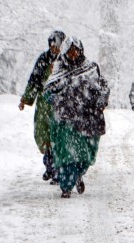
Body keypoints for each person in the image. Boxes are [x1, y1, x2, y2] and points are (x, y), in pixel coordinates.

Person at [43, 37, 109, 198]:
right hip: (65, 120)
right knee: (67, 154)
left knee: (85, 155)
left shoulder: (91, 68)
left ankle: (78, 174)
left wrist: (101, 100)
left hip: (88, 119)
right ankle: (66, 186)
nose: (73, 54)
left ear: (81, 51)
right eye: (70, 51)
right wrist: (56, 99)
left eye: (76, 51)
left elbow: (102, 87)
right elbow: (48, 91)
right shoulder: (59, 71)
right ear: (64, 53)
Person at [19, 30, 65, 183]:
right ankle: (50, 166)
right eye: (53, 46)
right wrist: (26, 99)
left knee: (59, 137)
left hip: (61, 105)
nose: (55, 49)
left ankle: (59, 171)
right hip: (44, 104)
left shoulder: (67, 60)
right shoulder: (43, 59)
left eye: (58, 46)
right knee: (43, 135)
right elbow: (33, 80)